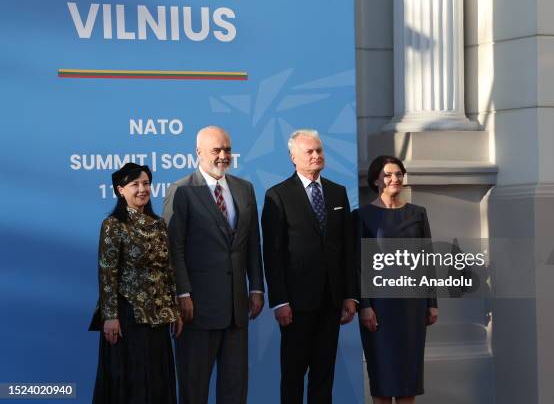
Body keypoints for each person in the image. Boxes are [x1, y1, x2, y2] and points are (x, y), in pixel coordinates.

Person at [163, 126, 265, 404]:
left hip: (236, 309)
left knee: (235, 389)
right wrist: (182, 294)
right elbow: (174, 248)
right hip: (197, 311)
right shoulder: (181, 190)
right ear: (198, 153)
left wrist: (256, 287)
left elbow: (252, 242)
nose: (223, 156)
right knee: (193, 389)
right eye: (216, 150)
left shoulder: (244, 188)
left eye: (227, 149)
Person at [261, 129, 358, 404]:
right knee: (293, 375)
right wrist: (279, 301)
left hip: (331, 301)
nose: (317, 155)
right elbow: (273, 253)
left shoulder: (338, 193)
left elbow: (347, 248)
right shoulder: (277, 195)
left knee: (324, 375)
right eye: (310, 152)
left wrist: (350, 295)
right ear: (294, 157)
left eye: (319, 150)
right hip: (296, 304)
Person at [90, 162, 182, 404]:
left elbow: (167, 270)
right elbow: (107, 272)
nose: (142, 189)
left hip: (159, 317)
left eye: (146, 183)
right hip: (128, 317)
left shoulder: (159, 223)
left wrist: (175, 311)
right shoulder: (113, 225)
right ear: (121, 190)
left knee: (158, 382)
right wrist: (110, 316)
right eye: (135, 184)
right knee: (131, 385)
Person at [355, 155, 439, 404]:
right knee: (382, 377)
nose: (395, 179)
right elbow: (358, 266)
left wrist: (431, 302)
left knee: (407, 379)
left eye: (399, 174)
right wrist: (365, 305)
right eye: (388, 175)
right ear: (376, 180)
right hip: (379, 308)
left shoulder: (418, 213)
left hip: (411, 307)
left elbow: (427, 260)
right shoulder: (362, 216)